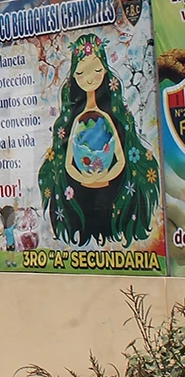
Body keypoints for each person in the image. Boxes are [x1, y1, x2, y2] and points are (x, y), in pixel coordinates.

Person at [38, 33, 158, 246]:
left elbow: (121, 159)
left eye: (96, 69)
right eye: (82, 72)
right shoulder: (74, 121)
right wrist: (86, 179)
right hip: (84, 191)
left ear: (104, 70)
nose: (90, 78)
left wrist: (105, 176)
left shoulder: (111, 116)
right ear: (74, 76)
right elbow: (67, 164)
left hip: (108, 190)